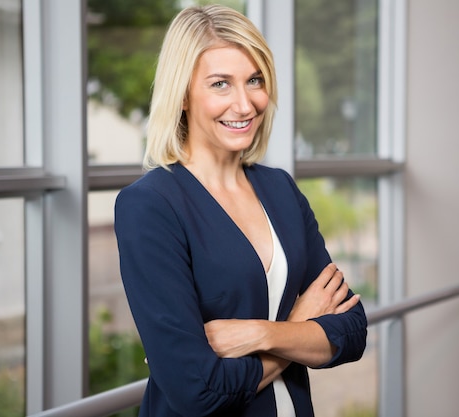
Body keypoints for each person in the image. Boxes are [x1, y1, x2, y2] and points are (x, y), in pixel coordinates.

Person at [114, 4, 368, 417]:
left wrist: (260, 334)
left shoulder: (280, 190)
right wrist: (300, 331)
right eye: (220, 84)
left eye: (254, 80)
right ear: (181, 95)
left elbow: (352, 332)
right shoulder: (150, 206)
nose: (245, 104)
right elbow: (196, 391)